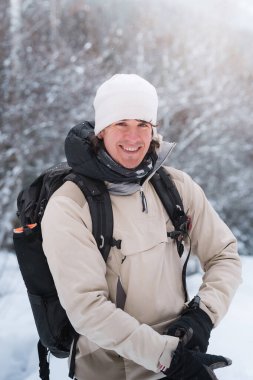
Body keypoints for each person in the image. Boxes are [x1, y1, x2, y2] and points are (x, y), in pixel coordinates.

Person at [41, 74, 242, 380]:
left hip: (179, 359)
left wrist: (202, 317)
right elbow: (87, 308)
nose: (133, 138)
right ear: (102, 129)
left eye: (143, 125)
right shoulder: (71, 204)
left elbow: (224, 254)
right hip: (111, 372)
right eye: (121, 123)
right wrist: (167, 358)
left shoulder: (176, 187)